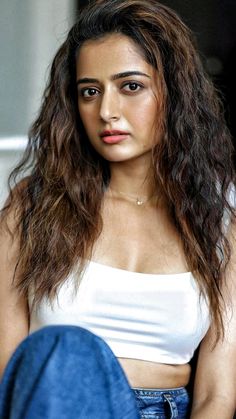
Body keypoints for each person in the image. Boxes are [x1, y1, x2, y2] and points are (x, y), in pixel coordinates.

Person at [0, 0, 236, 417]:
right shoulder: (33, 206)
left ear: (173, 93)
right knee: (66, 347)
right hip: (51, 407)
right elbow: (6, 362)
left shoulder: (217, 227)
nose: (106, 112)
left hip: (162, 409)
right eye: (90, 91)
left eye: (130, 86)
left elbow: (216, 394)